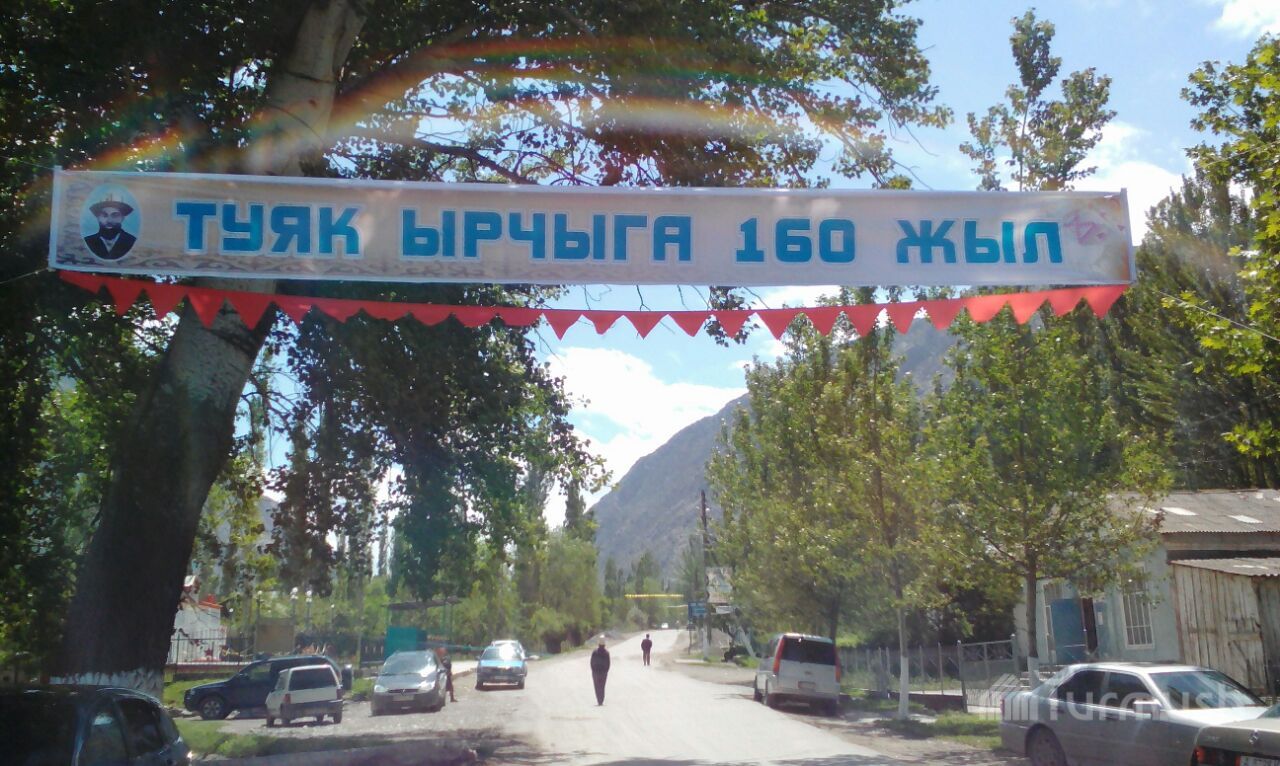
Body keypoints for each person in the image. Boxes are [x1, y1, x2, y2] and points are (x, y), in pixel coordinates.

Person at [83, 196, 137, 260]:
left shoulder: (132, 241)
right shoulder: (88, 241)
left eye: (115, 215)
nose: (109, 220)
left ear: (122, 218)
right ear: (98, 218)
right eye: (104, 215)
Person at [590, 638, 611, 705]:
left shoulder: (594, 652)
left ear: (598, 645)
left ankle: (599, 700)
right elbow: (608, 664)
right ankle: (601, 700)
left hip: (596, 672)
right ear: (604, 645)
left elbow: (592, 662)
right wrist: (606, 671)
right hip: (603, 673)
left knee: (597, 686)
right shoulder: (606, 653)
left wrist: (593, 670)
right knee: (602, 686)